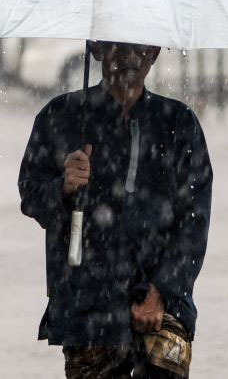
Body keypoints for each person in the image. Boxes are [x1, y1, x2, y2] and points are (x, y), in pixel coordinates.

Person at [18, 41, 213, 378]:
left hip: (164, 308)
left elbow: (194, 221)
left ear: (154, 53)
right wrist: (63, 186)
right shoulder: (60, 116)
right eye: (118, 46)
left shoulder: (180, 124)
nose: (130, 57)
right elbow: (31, 197)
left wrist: (162, 290)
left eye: (141, 48)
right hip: (87, 308)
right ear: (96, 49)